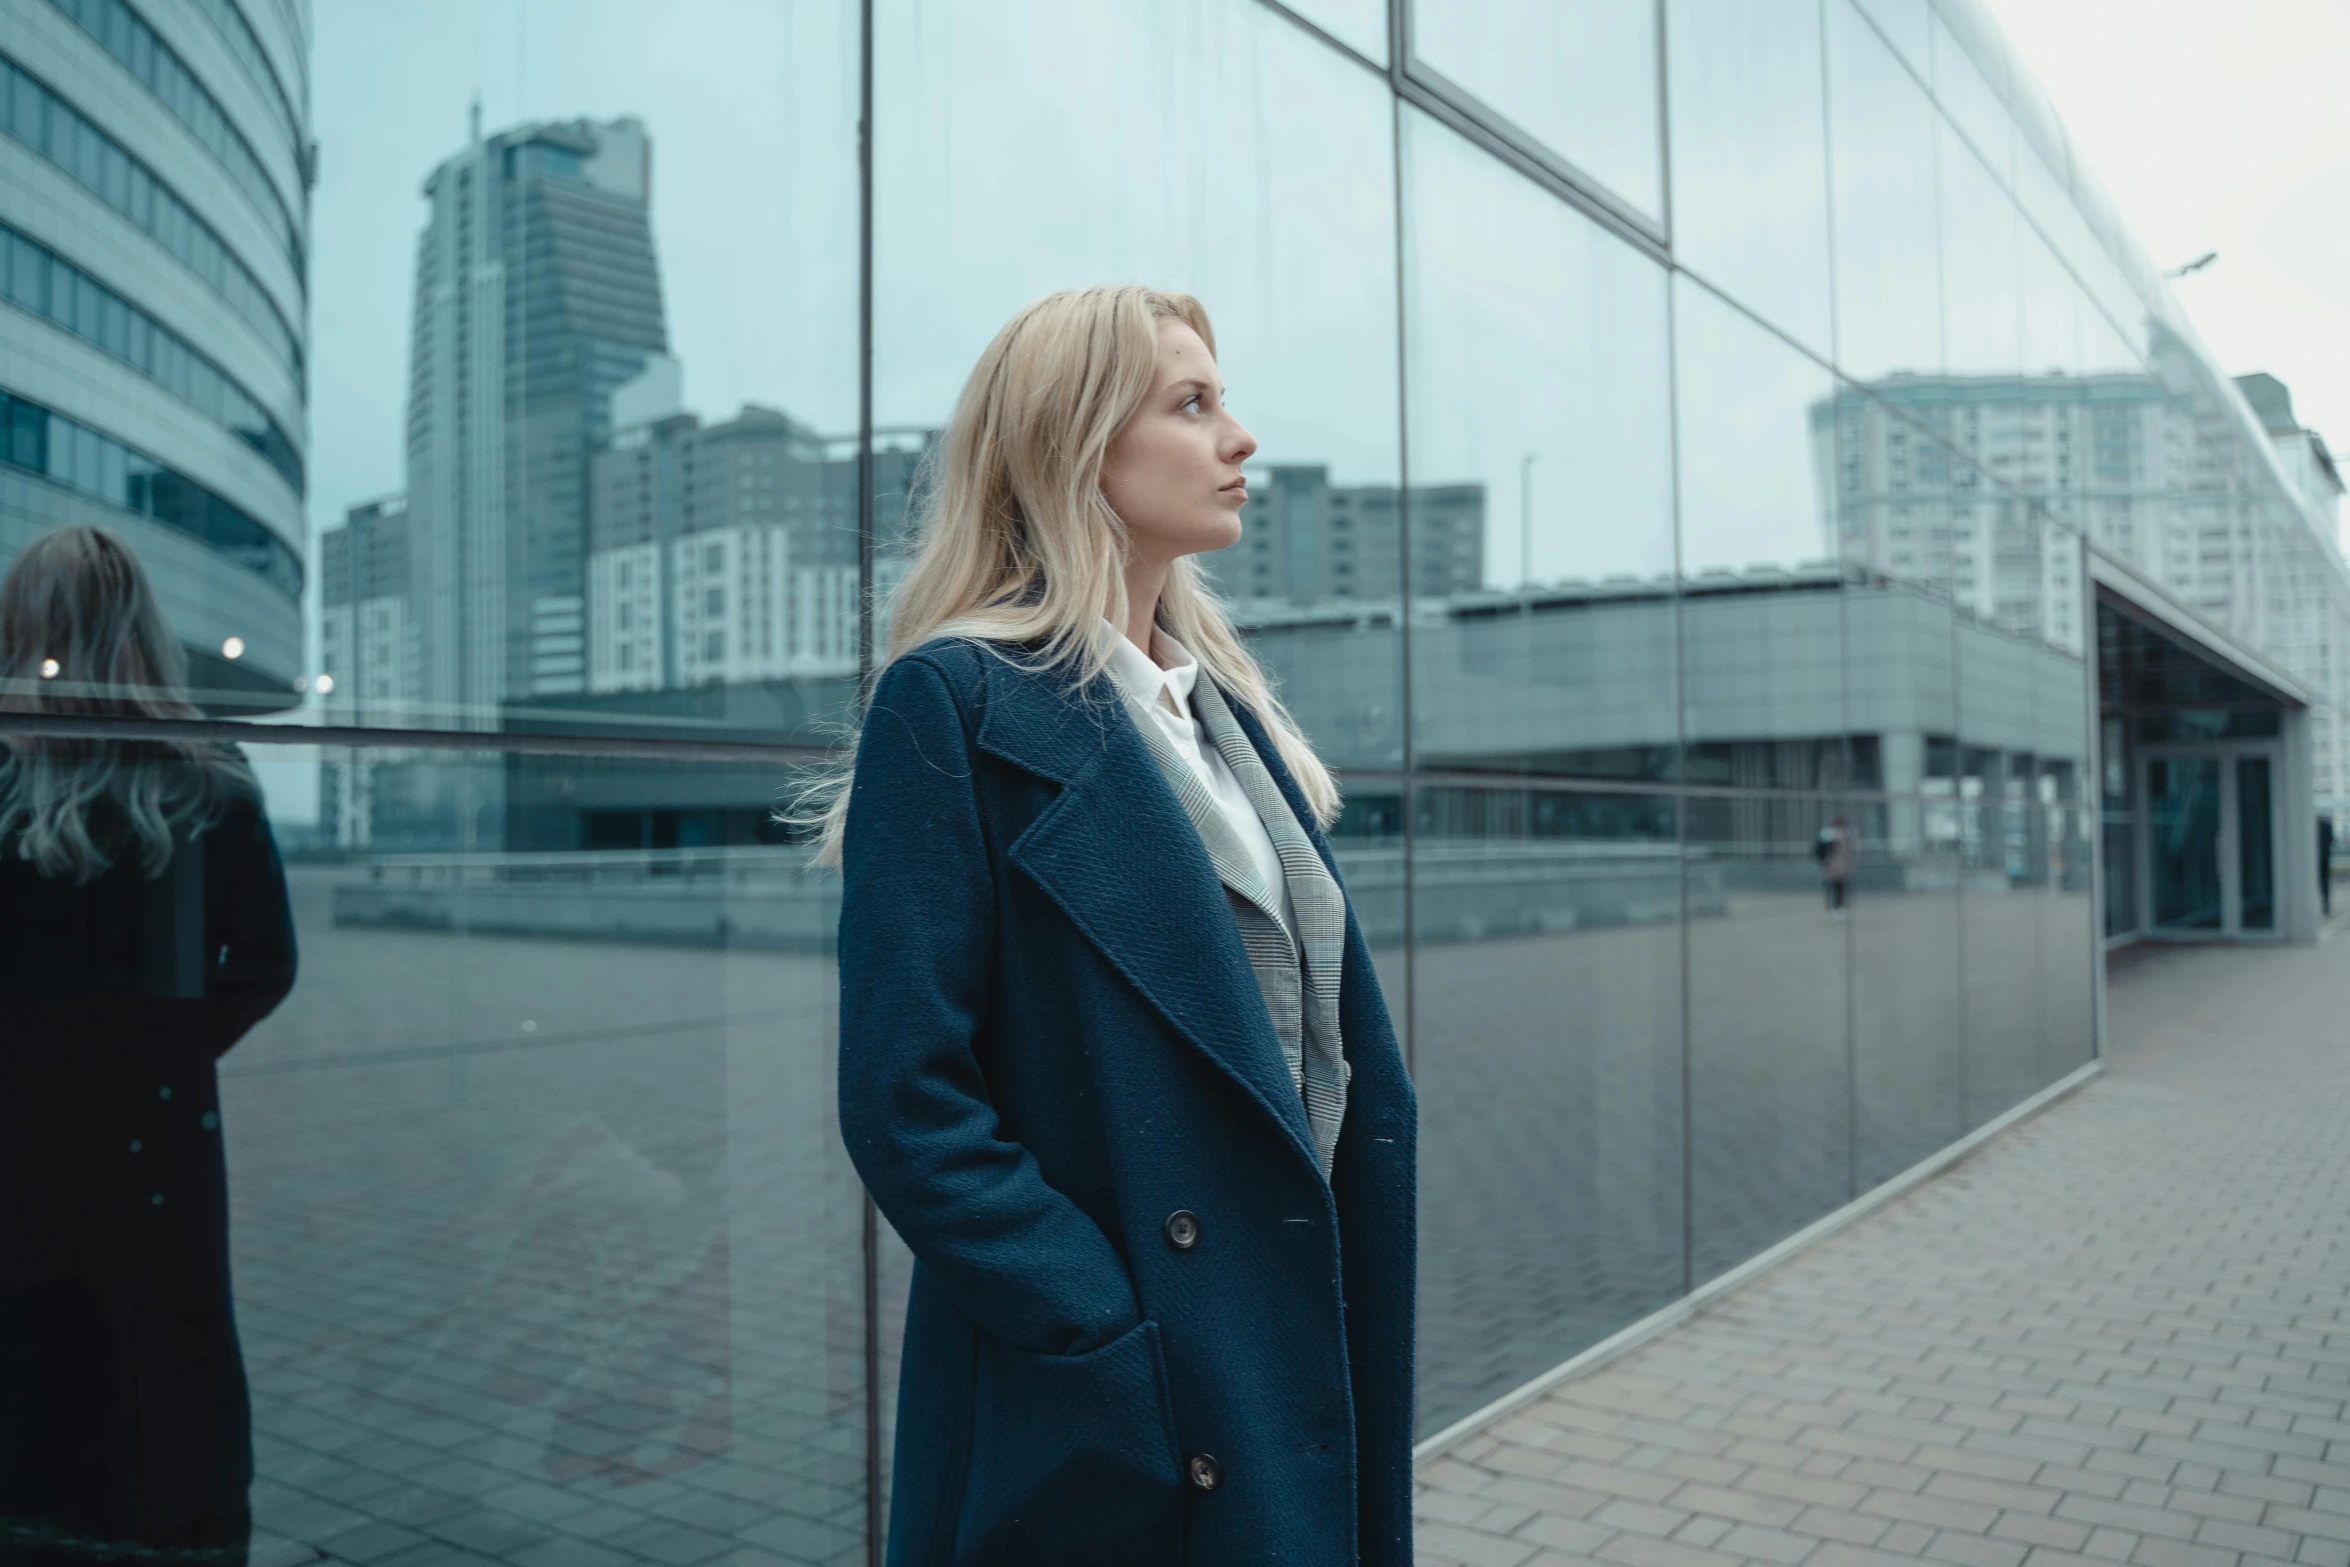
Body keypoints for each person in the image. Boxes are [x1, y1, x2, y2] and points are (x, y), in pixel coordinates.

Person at [815, 288, 1415, 1565]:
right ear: (1077, 441)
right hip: (1124, 1392)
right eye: (1192, 405)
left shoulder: (1225, 721)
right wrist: (1101, 1324)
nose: (1238, 437)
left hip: (1286, 1340)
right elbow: (905, 1096)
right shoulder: (957, 703)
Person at [0, 527, 297, 1565]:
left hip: (17, 1134)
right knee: (166, 1361)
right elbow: (264, 964)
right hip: (154, 1135)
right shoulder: (208, 777)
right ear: (147, 631)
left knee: (30, 1361)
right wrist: (164, 1054)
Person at [1816, 813, 1855, 919]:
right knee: (1833, 888)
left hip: (1837, 865)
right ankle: (1833, 909)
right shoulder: (1829, 835)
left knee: (1838, 888)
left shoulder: (1842, 834)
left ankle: (1836, 908)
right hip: (1831, 865)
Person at [2322, 815, 2335, 919]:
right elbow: (2331, 841)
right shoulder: (2327, 826)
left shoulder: (2314, 827)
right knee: (2325, 882)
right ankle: (2325, 904)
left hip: (2316, 858)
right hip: (2325, 857)